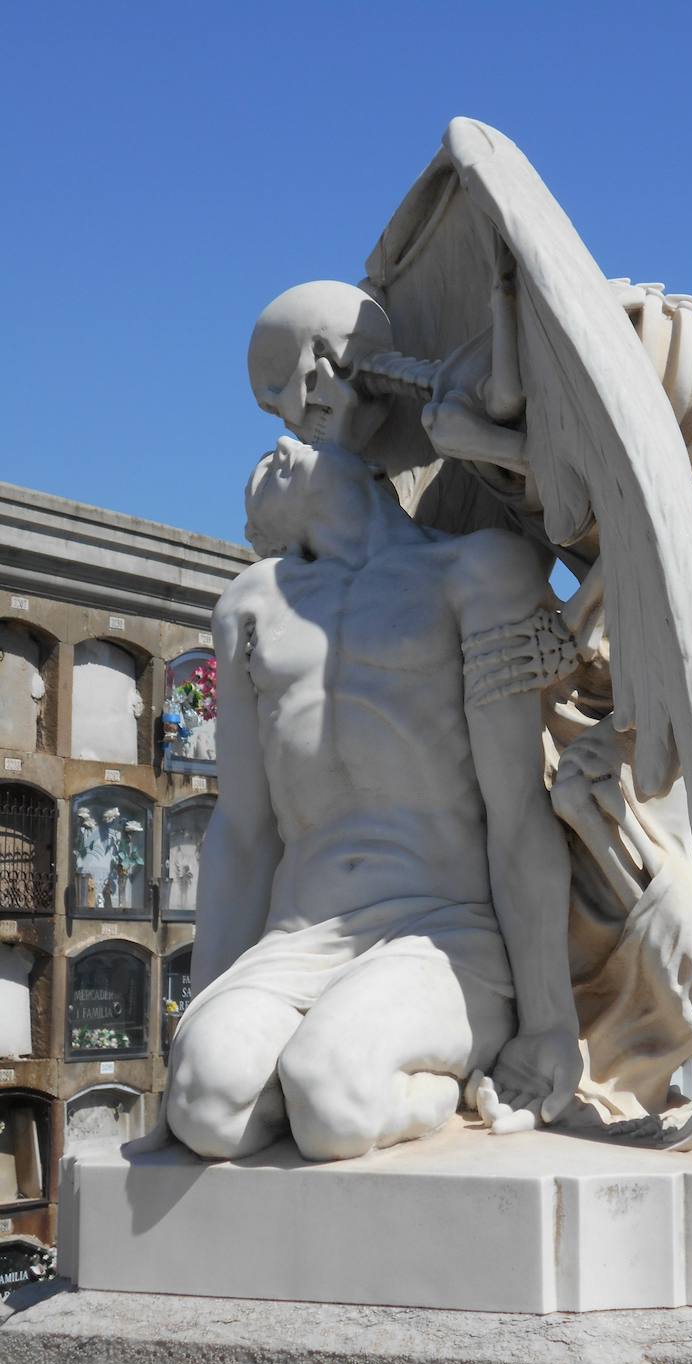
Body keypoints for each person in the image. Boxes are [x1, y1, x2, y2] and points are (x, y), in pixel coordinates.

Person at [164, 432, 582, 1161]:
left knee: (331, 1098)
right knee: (204, 1105)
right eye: (260, 465)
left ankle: (427, 1089)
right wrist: (203, 1002)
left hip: (440, 933)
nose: (283, 444)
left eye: (299, 434)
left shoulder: (476, 570)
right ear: (264, 528)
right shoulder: (250, 604)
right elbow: (242, 829)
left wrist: (547, 1020)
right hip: (297, 939)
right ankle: (322, 1069)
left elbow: (517, 812)